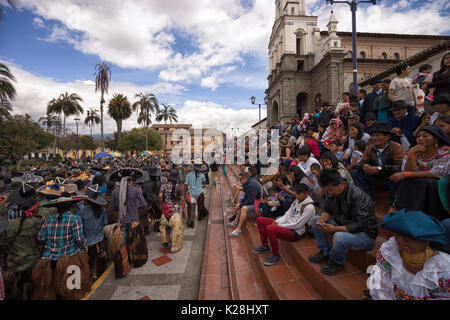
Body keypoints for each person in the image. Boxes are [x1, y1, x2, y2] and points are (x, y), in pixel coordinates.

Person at [308, 169, 378, 275]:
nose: (329, 193)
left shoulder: (357, 195)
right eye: (327, 190)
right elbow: (327, 210)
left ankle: (337, 262)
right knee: (314, 220)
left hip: (365, 234)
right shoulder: (333, 192)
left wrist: (335, 229)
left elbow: (362, 224)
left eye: (331, 190)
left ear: (341, 183)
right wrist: (321, 219)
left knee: (339, 236)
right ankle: (325, 252)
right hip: (344, 225)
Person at [369, 210, 449, 300]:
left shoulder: (442, 270)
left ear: (426, 240)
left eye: (409, 237)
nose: (401, 241)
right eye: (398, 235)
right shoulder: (390, 253)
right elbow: (380, 286)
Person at [33, 195, 91, 300]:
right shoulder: (75, 218)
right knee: (72, 291)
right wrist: (85, 246)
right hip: (70, 259)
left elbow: (40, 237)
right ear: (70, 206)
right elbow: (79, 239)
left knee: (50, 291)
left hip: (49, 260)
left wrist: (52, 243)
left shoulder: (50, 219)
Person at [390, 125, 449, 221]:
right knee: (407, 181)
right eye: (418, 136)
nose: (421, 138)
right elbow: (410, 172)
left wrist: (405, 174)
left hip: (440, 183)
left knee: (428, 182)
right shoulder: (413, 150)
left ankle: (431, 216)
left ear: (436, 139)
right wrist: (411, 156)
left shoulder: (444, 151)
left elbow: (436, 173)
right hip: (420, 182)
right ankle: (404, 212)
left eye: (425, 136)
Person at [253, 183, 316, 266]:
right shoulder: (297, 200)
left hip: (295, 232)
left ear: (306, 193)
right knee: (260, 220)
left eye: (299, 194)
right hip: (286, 225)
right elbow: (287, 214)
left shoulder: (310, 207)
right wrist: (278, 222)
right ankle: (265, 246)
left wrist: (279, 225)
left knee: (270, 228)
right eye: (296, 193)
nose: (296, 196)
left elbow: (298, 225)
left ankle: (276, 255)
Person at [352, 123, 404, 207]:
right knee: (356, 173)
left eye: (378, 135)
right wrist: (364, 166)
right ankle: (369, 199)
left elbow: (399, 166)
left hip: (389, 178)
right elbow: (361, 162)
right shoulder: (370, 148)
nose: (375, 138)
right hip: (376, 177)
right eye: (373, 135)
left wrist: (380, 168)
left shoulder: (396, 147)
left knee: (397, 175)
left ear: (387, 136)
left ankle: (393, 204)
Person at [76, 184, 107, 281]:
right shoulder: (102, 210)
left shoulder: (81, 213)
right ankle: (99, 273)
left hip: (88, 243)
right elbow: (104, 223)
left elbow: (80, 229)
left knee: (90, 262)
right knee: (99, 260)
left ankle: (92, 275)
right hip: (100, 240)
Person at [109, 168, 148, 244]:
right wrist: (136, 207)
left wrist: (119, 208)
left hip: (121, 220)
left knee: (122, 243)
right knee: (135, 241)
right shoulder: (136, 190)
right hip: (134, 219)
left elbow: (111, 207)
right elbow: (144, 204)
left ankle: (125, 254)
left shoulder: (115, 192)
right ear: (130, 180)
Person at [228, 171, 265, 238]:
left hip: (259, 204)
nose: (240, 181)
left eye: (240, 179)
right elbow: (246, 197)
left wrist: (240, 204)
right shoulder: (248, 183)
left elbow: (250, 200)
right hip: (254, 201)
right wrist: (240, 203)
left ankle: (238, 230)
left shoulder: (252, 185)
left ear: (245, 178)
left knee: (243, 208)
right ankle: (235, 222)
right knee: (240, 204)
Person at [159, 169, 186, 253]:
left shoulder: (163, 185)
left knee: (166, 227)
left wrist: (161, 204)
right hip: (175, 212)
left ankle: (166, 241)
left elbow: (160, 196)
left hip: (165, 211)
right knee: (176, 229)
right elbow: (182, 199)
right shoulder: (178, 187)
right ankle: (175, 247)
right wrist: (184, 209)